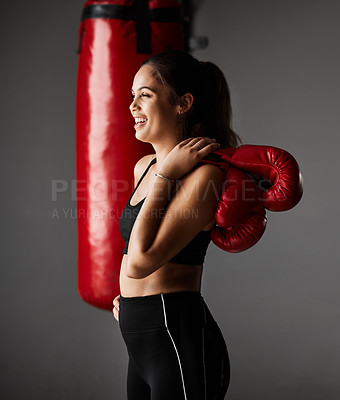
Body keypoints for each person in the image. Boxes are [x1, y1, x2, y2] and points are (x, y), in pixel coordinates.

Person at [112, 50, 242, 400]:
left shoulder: (204, 176)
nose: (133, 106)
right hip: (140, 335)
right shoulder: (144, 168)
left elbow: (141, 261)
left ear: (183, 103)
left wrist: (167, 173)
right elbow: (135, 254)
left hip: (176, 333)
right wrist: (127, 296)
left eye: (145, 95)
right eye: (132, 96)